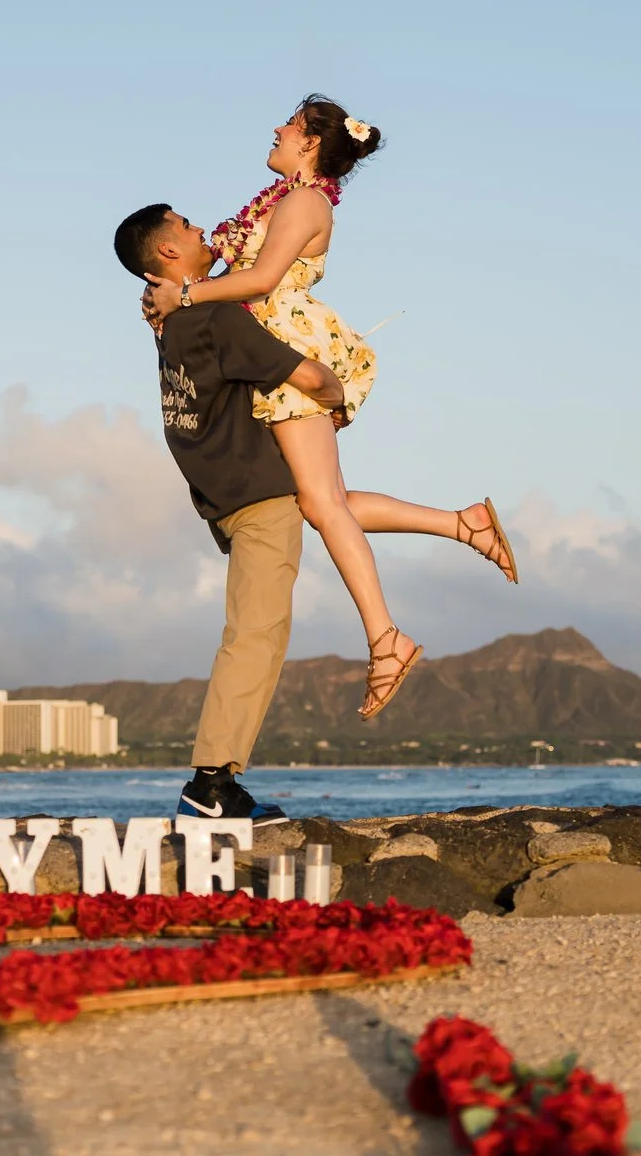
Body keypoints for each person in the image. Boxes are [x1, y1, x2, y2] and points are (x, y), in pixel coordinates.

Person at [140, 95, 515, 721]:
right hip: (272, 351)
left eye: (287, 126)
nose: (276, 131)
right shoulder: (283, 198)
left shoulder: (305, 202)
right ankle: (462, 524)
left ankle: (386, 638)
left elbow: (261, 282)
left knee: (319, 504)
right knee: (323, 501)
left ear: (311, 143)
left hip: (292, 347)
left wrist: (186, 293)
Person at [115, 201, 342, 822]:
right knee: (257, 636)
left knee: (253, 632)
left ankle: (216, 779)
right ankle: (212, 783)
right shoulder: (212, 318)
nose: (201, 228)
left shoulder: (175, 327)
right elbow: (310, 378)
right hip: (260, 494)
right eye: (187, 227)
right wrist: (341, 387)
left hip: (225, 499)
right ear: (167, 253)